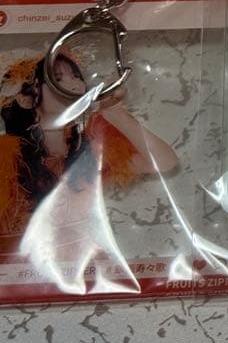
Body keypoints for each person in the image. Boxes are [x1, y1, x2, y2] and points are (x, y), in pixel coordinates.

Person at [0, 52, 177, 241]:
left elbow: (165, 162)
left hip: (81, 256)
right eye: (57, 79)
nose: (75, 84)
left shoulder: (89, 149)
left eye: (76, 76)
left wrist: (115, 114)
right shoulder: (7, 158)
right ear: (25, 99)